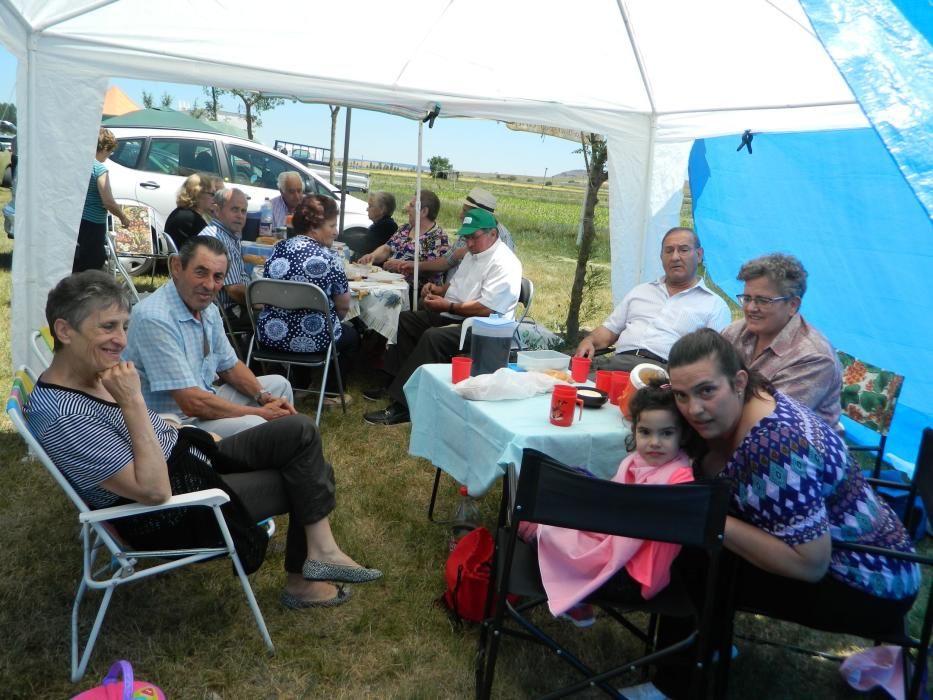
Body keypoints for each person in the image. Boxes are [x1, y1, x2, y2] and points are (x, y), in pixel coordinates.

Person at [28, 271, 382, 610]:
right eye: (107, 327)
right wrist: (133, 401)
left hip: (189, 457)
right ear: (65, 330)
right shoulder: (65, 416)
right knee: (312, 476)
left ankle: (321, 553)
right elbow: (154, 492)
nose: (121, 340)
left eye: (123, 326)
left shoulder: (90, 375)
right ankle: (303, 584)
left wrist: (179, 429)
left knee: (299, 430)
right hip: (176, 509)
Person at [628, 329, 919, 700]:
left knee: (697, 548)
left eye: (706, 391)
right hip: (870, 553)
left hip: (871, 581)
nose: (693, 409)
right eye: (682, 395)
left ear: (739, 381)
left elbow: (810, 564)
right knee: (700, 528)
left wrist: (707, 516)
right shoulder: (756, 399)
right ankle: (709, 644)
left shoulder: (773, 446)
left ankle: (676, 684)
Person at [524, 380, 698, 628]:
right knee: (554, 523)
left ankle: (576, 594)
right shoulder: (634, 462)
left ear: (682, 435)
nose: (655, 442)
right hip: (616, 549)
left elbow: (625, 514)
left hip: (634, 578)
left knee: (541, 534)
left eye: (667, 433)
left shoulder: (680, 479)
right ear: (634, 430)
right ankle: (544, 543)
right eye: (645, 432)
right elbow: (612, 509)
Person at [123, 235, 296, 438]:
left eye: (218, 277)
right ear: (176, 266)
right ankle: (268, 459)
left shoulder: (207, 309)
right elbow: (191, 403)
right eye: (201, 272)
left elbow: (229, 366)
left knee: (279, 386)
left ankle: (285, 448)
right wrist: (263, 412)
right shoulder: (154, 318)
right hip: (170, 424)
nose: (209, 285)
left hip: (201, 403)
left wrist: (265, 398)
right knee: (257, 423)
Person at [363, 207, 522, 426]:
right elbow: (457, 285)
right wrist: (439, 290)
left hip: (486, 329)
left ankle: (404, 407)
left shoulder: (504, 262)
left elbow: (488, 308)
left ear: (493, 234)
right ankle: (394, 383)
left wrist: (449, 306)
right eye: (466, 237)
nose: (469, 243)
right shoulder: (473, 254)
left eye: (474, 237)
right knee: (406, 320)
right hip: (458, 315)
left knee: (433, 337)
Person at [574, 227, 731, 372]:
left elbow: (714, 361)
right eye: (669, 251)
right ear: (661, 257)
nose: (675, 257)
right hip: (618, 364)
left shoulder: (714, 305)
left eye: (683, 250)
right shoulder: (642, 291)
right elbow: (608, 331)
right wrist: (589, 340)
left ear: (699, 255)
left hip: (664, 376)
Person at [257, 194, 358, 407]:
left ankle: (298, 385)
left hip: (272, 336)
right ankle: (331, 394)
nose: (336, 231)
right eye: (331, 225)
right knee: (349, 334)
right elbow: (343, 306)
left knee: (303, 322)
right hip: (314, 340)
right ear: (314, 226)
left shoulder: (277, 249)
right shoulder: (330, 258)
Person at [721, 253, 842, 427]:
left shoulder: (814, 358)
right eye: (747, 298)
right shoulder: (737, 331)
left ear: (793, 305)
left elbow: (768, 421)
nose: (751, 308)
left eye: (763, 300)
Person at [409, 188, 516, 280]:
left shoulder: (503, 239)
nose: (460, 215)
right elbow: (448, 260)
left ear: (479, 214)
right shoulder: (469, 230)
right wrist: (415, 266)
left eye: (465, 211)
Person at [357, 190, 449, 286]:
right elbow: (387, 248)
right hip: (388, 283)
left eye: (412, 206)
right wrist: (372, 256)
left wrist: (401, 266)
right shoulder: (405, 228)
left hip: (414, 292)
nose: (407, 208)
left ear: (424, 211)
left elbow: (433, 269)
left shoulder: (438, 238)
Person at [73, 127, 130, 272]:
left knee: (76, 263)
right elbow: (108, 201)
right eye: (110, 151)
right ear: (104, 148)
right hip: (93, 225)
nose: (109, 155)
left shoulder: (78, 165)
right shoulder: (99, 169)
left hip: (77, 220)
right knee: (91, 264)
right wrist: (123, 217)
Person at [200, 188, 251, 328]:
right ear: (216, 210)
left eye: (243, 211)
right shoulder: (219, 240)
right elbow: (234, 290)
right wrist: (262, 300)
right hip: (225, 314)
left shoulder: (228, 235)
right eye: (234, 209)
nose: (240, 216)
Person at [163, 172, 220, 248]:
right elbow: (212, 247)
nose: (214, 198)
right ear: (198, 194)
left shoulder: (180, 212)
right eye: (212, 194)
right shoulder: (190, 219)